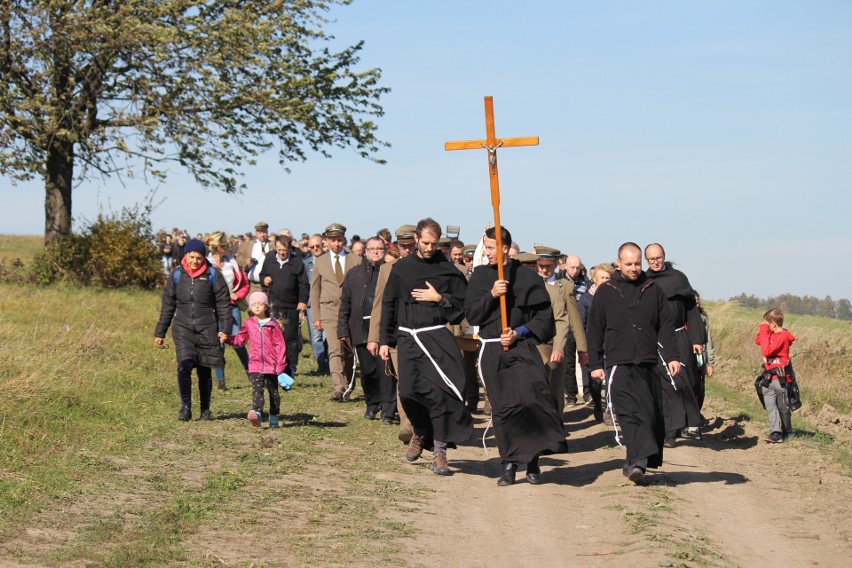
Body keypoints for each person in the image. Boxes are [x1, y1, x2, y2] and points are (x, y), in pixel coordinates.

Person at [465, 229, 566, 486]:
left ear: (506, 248)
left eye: (491, 248)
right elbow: (473, 315)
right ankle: (508, 464)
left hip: (521, 348)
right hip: (492, 350)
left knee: (530, 400)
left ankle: (532, 460)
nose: (487, 253)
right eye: (485, 248)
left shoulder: (527, 277)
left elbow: (544, 319)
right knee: (504, 408)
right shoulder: (479, 276)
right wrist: (492, 295)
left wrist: (519, 332)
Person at [379, 218, 473, 476]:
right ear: (417, 240)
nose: (430, 248)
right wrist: (385, 340)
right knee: (408, 392)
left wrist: (440, 299)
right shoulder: (401, 269)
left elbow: (463, 308)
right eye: (426, 243)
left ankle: (440, 452)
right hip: (407, 338)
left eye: (435, 243)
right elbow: (388, 305)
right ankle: (420, 431)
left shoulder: (447, 270)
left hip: (436, 337)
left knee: (440, 395)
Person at [586, 242, 681, 486]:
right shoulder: (606, 292)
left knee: (648, 414)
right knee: (628, 414)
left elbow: (666, 326)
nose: (634, 268)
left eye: (637, 263)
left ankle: (633, 461)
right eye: (628, 264)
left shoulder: (653, 289)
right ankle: (639, 461)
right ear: (618, 263)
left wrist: (672, 356)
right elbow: (594, 330)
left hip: (648, 362)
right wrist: (595, 363)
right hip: (619, 363)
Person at [155, 238, 232, 421]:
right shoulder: (177, 275)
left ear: (203, 257)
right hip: (182, 328)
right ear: (186, 255)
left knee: (204, 369)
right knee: (184, 366)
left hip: (207, 327)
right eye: (191, 257)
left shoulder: (214, 274)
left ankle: (205, 409)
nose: (195, 261)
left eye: (198, 257)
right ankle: (185, 407)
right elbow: (168, 305)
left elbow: (223, 304)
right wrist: (160, 331)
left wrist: (225, 329)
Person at [643, 243, 704, 446]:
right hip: (655, 339)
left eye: (658, 258)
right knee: (663, 385)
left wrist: (697, 340)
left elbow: (691, 311)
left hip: (679, 337)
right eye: (651, 259)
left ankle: (684, 423)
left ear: (664, 256)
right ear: (646, 260)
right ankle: (669, 430)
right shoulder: (644, 281)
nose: (655, 262)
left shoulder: (678, 279)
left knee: (684, 381)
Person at [367, 225, 418, 443]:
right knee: (403, 380)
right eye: (402, 246)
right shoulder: (388, 269)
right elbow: (378, 305)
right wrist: (374, 337)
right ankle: (407, 425)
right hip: (398, 334)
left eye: (410, 246)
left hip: (423, 332)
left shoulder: (428, 267)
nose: (407, 250)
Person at [338, 236, 397, 422]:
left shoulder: (391, 272)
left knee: (386, 371)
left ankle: (388, 410)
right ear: (365, 251)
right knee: (368, 372)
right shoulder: (354, 273)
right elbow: (345, 304)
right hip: (360, 329)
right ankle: (372, 404)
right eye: (372, 249)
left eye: (379, 248)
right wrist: (342, 330)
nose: (376, 252)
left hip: (384, 330)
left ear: (385, 250)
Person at [310, 223, 356, 400]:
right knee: (334, 348)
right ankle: (339, 386)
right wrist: (317, 317)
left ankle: (350, 385)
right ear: (327, 241)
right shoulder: (320, 261)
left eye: (339, 240)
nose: (336, 243)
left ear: (344, 239)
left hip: (350, 312)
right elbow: (315, 290)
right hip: (328, 310)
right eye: (333, 240)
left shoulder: (355, 260)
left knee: (348, 349)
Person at [228, 292, 288, 428]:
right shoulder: (249, 323)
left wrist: (280, 364)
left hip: (271, 364)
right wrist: (228, 339)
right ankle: (257, 413)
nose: (256, 307)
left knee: (273, 392)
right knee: (257, 390)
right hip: (255, 363)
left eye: (259, 304)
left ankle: (274, 415)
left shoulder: (273, 325)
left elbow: (280, 345)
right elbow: (240, 340)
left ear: (266, 307)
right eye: (253, 304)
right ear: (250, 307)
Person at [205, 231, 250, 390]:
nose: (229, 248)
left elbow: (244, 283)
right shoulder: (206, 265)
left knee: (238, 341)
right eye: (226, 245)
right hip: (214, 308)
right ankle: (220, 380)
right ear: (218, 247)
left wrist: (237, 295)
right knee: (219, 343)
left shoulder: (232, 263)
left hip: (232, 305)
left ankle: (250, 371)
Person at [260, 234, 309, 377]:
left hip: (291, 306)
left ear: (289, 249)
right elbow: (262, 275)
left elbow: (303, 284)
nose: (282, 253)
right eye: (279, 250)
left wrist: (302, 301)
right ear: (276, 248)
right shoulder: (269, 259)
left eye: (284, 250)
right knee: (273, 338)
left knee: (290, 339)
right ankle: (274, 365)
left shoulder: (297, 262)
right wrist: (265, 279)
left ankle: (291, 368)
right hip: (274, 305)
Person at [579, 262, 615, 421]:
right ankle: (597, 403)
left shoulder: (616, 297)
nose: (606, 280)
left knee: (611, 378)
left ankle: (609, 408)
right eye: (602, 278)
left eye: (608, 278)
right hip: (593, 344)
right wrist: (585, 347)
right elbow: (582, 323)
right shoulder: (586, 299)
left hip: (611, 344)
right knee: (595, 382)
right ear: (594, 279)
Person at [754, 308, 796, 443]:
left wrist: (764, 329)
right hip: (768, 379)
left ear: (773, 323)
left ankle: (787, 431)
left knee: (784, 408)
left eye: (766, 324)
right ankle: (775, 432)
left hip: (781, 379)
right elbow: (758, 340)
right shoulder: (770, 335)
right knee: (770, 406)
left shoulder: (783, 336)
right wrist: (765, 331)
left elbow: (766, 351)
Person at [303, 234, 329, 374]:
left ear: (323, 245)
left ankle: (331, 361)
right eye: (312, 247)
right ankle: (321, 364)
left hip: (328, 303)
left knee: (329, 335)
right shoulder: (306, 264)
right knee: (316, 335)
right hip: (312, 305)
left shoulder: (330, 261)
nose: (315, 249)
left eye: (317, 246)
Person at [694, 291, 715, 411]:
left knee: (700, 390)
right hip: (685, 360)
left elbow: (709, 342)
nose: (696, 304)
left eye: (697, 302)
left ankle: (696, 413)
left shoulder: (703, 319)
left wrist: (710, 363)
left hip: (700, 360)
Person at [246, 221, 272, 291]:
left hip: (268, 285)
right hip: (253, 285)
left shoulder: (273, 245)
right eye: (260, 233)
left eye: (264, 232)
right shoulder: (248, 245)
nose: (262, 235)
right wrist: (246, 262)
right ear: (256, 233)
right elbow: (239, 258)